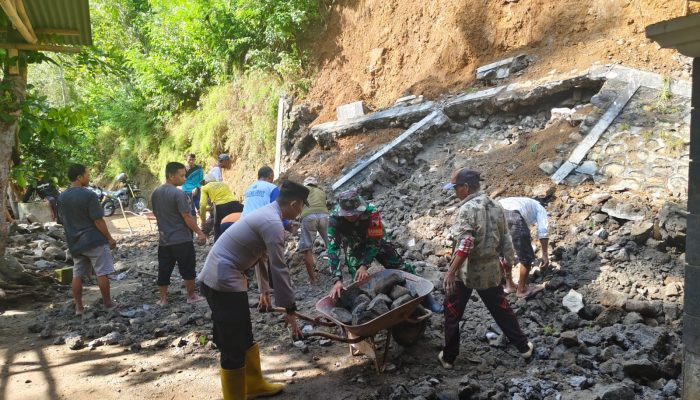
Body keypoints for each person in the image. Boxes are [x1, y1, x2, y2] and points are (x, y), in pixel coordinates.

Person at [197, 180, 310, 400]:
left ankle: (254, 384)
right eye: (302, 206)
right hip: (221, 280)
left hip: (229, 277)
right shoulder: (272, 222)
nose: (301, 210)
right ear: (295, 204)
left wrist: (265, 291)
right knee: (232, 342)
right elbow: (279, 268)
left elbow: (262, 256)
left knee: (244, 333)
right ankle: (235, 396)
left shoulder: (269, 214)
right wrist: (290, 309)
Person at [438, 168, 533, 369]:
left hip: (466, 272)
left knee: (452, 311)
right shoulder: (496, 205)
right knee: (501, 310)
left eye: (456, 188)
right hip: (490, 271)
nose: (454, 192)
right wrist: (507, 264)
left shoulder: (467, 210)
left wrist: (451, 272)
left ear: (465, 188)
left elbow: (465, 245)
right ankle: (524, 348)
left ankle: (448, 358)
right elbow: (506, 239)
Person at [326, 190, 443, 313]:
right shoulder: (334, 219)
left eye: (355, 213)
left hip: (376, 240)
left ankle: (426, 298)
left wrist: (365, 265)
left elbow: (375, 241)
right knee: (358, 279)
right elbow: (333, 248)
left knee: (400, 266)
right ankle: (370, 309)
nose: (352, 217)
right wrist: (337, 279)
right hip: (354, 244)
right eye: (348, 215)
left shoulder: (372, 211)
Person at [57, 164, 118, 316]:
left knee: (77, 274)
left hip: (75, 242)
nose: (88, 177)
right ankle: (108, 303)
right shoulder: (89, 195)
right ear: (79, 177)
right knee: (101, 272)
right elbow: (98, 220)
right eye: (87, 174)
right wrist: (109, 238)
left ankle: (79, 307)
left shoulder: (62, 197)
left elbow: (62, 221)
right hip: (94, 240)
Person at [151, 162, 207, 306]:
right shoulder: (178, 194)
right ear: (171, 176)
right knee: (188, 268)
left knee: (164, 269)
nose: (184, 179)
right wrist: (200, 232)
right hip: (181, 239)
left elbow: (157, 214)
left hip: (164, 239)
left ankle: (163, 299)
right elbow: (187, 216)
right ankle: (191, 296)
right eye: (181, 176)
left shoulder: (155, 193)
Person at [498, 197, 550, 298]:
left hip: (492, 214)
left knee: (503, 254)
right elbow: (543, 230)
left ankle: (509, 285)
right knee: (526, 256)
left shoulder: (522, 202)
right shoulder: (540, 207)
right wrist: (545, 254)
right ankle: (522, 290)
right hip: (512, 215)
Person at [297, 176, 329, 285]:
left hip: (309, 217)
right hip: (324, 216)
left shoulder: (302, 190)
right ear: (316, 184)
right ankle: (336, 273)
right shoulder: (321, 192)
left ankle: (313, 279)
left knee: (307, 249)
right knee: (332, 245)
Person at [199, 173, 243, 240]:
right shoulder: (223, 184)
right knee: (237, 227)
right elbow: (227, 200)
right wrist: (208, 209)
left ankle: (218, 248)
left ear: (205, 182)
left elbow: (202, 204)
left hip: (221, 208)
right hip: (236, 205)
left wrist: (203, 220)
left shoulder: (204, 187)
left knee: (218, 230)